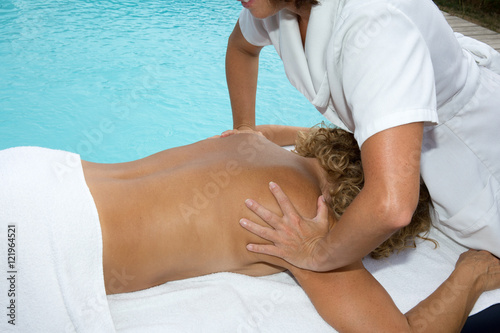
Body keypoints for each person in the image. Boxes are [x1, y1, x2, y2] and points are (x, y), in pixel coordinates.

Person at [2, 125, 500, 332]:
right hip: (40, 250)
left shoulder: (251, 141)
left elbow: (294, 133)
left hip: (31, 175)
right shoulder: (305, 224)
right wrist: (471, 274)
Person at [226, 0, 500, 273]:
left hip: (475, 150)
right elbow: (242, 47)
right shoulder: (275, 6)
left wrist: (316, 254)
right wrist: (244, 129)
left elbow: (392, 205)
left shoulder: (375, 23)